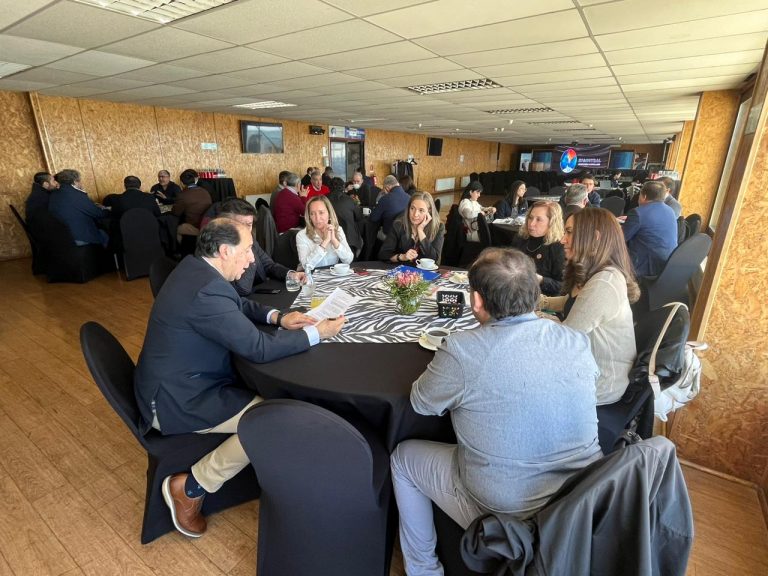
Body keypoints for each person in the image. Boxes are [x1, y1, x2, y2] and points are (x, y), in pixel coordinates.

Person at [391, 247, 602, 576]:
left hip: (510, 515)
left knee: (403, 458)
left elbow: (421, 402)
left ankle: (423, 570)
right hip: (582, 504)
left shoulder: (463, 350)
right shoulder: (574, 340)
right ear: (534, 294)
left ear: (476, 301)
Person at [134, 218, 344, 538]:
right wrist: (318, 332)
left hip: (180, 380)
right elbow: (258, 348)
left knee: (269, 406)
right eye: (246, 250)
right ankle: (190, 487)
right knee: (271, 419)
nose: (250, 260)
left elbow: (237, 303)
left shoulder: (197, 269)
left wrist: (277, 316)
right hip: (175, 399)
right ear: (223, 250)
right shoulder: (205, 290)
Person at [540, 208, 639, 405]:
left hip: (599, 384)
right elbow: (572, 303)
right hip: (584, 366)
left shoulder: (604, 283)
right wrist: (538, 302)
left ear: (594, 238)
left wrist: (534, 318)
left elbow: (565, 339)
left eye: (568, 232)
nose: (562, 239)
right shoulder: (598, 272)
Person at [217, 198, 304, 295]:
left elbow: (269, 265)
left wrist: (291, 275)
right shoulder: (223, 250)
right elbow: (243, 289)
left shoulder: (251, 240)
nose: (246, 230)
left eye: (249, 225)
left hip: (263, 292)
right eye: (240, 225)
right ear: (225, 225)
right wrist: (248, 253)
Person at [623, 180, 678, 277]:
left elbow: (621, 238)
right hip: (666, 264)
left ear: (644, 196)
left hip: (644, 265)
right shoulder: (670, 211)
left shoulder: (637, 213)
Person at [512, 200, 565, 296]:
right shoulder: (520, 238)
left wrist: (541, 280)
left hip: (543, 300)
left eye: (538, 220)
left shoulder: (559, 247)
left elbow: (563, 287)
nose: (531, 224)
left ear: (552, 222)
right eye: (530, 218)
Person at [48, 169, 110, 247]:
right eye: (79, 181)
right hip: (80, 237)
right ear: (75, 181)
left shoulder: (53, 195)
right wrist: (108, 210)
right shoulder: (76, 195)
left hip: (63, 237)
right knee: (105, 235)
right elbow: (98, 214)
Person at [379, 191, 445, 264]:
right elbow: (383, 254)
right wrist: (402, 257)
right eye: (412, 208)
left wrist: (420, 231)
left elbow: (434, 259)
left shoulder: (438, 227)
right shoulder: (399, 225)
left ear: (429, 211)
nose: (415, 214)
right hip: (403, 272)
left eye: (421, 210)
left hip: (426, 273)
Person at [295, 196, 354, 270]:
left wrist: (334, 241)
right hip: (311, 277)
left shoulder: (338, 229)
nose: (317, 218)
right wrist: (325, 242)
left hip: (332, 276)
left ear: (329, 213)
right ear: (309, 217)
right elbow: (306, 266)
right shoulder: (302, 235)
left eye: (321, 212)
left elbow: (348, 260)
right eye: (312, 214)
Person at [172, 169, 212, 240]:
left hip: (196, 227)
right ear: (195, 180)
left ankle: (182, 250)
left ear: (181, 183)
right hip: (209, 225)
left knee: (175, 229)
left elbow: (176, 213)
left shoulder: (182, 195)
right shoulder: (205, 191)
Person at [328, 177, 363, 254]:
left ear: (329, 187)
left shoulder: (323, 199)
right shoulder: (349, 200)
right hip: (349, 239)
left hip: (328, 238)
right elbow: (359, 217)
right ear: (343, 187)